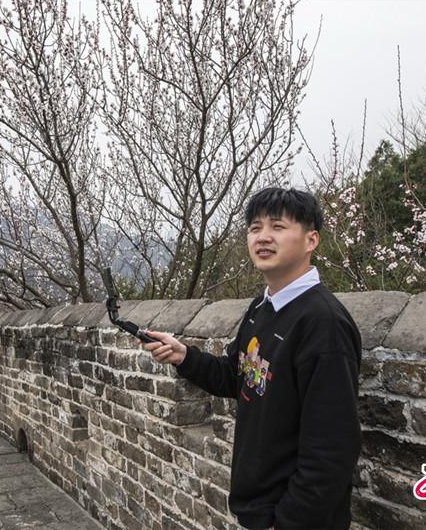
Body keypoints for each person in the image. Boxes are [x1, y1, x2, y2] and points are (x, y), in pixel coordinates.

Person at [142, 187, 362, 529]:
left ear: (311, 240)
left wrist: (286, 522)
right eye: (255, 228)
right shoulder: (262, 307)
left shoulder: (323, 323)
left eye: (278, 226)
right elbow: (238, 376)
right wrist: (183, 356)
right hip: (259, 510)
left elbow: (332, 448)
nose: (263, 237)